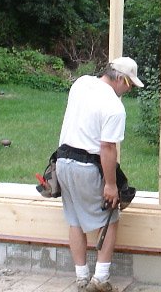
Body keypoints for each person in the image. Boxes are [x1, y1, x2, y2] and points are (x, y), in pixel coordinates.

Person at [56, 57, 144, 292]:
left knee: (75, 221)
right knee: (109, 220)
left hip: (62, 162)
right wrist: (111, 185)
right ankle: (100, 280)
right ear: (121, 78)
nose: (129, 89)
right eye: (130, 84)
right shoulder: (114, 107)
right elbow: (107, 148)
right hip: (88, 167)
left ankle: (81, 278)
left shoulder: (81, 83)